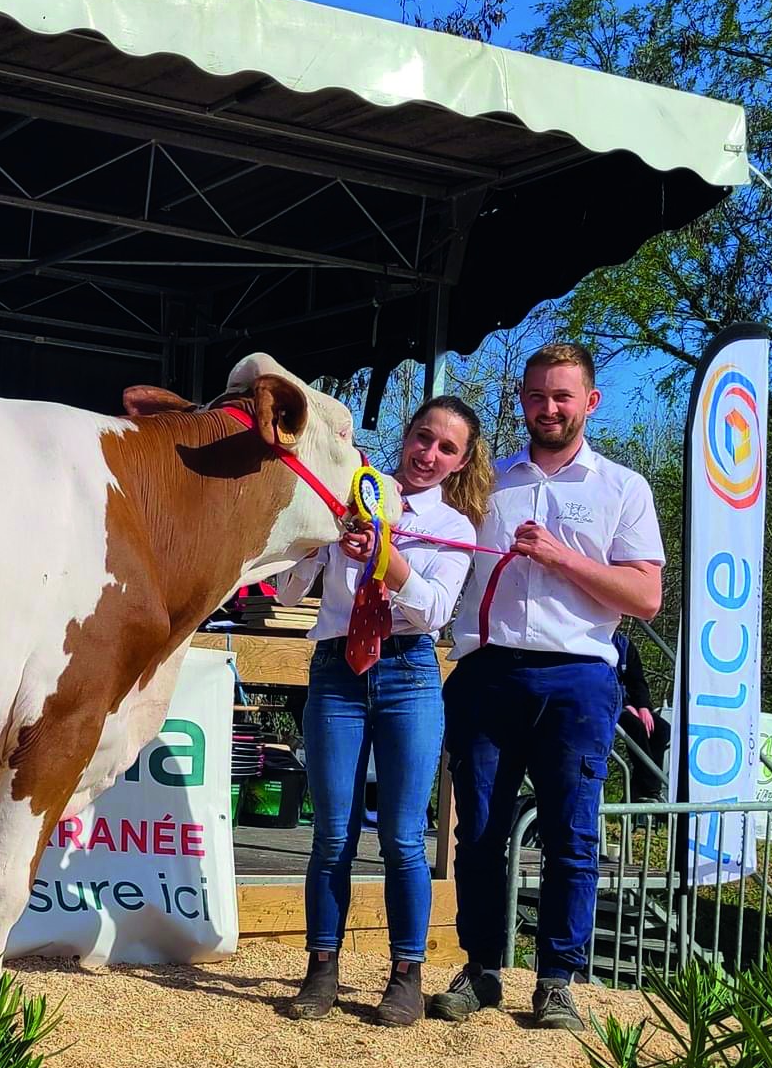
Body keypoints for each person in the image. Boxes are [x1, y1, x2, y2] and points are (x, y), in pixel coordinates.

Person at [430, 342, 666, 1032]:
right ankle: (481, 970)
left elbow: (646, 596)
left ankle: (558, 979)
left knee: (572, 834)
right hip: (489, 670)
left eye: (562, 396)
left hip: (579, 676)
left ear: (590, 401)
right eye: (537, 395)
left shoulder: (623, 488)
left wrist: (562, 557)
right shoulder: (484, 483)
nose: (548, 407)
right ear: (522, 401)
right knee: (478, 830)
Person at [274, 395, 492, 1026]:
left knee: (402, 837)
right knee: (331, 834)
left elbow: (434, 612)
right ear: (407, 435)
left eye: (446, 448)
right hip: (337, 665)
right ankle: (321, 968)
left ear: (460, 461)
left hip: (409, 672)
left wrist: (385, 561)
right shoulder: (352, 495)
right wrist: (317, 545)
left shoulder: (453, 527)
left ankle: (406, 973)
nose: (428, 455)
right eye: (423, 438)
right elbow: (287, 590)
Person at [613, 626, 670, 801]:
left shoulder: (624, 645)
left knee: (660, 729)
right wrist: (626, 704)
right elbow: (602, 680)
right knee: (635, 727)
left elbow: (637, 680)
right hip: (608, 703)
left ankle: (638, 789)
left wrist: (644, 707)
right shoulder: (593, 642)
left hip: (627, 703)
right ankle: (650, 786)